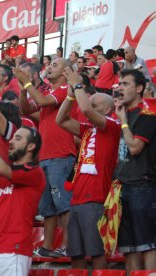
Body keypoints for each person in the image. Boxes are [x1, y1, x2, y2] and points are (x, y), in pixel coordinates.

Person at [56, 68, 121, 269]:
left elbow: (85, 110)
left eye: (95, 104)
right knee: (76, 255)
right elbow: (61, 120)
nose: (88, 106)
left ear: (106, 110)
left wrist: (77, 86)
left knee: (96, 252)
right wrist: (69, 96)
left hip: (96, 198)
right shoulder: (89, 129)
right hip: (77, 198)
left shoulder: (112, 125)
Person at [15, 58, 77, 257]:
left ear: (66, 71)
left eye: (55, 65)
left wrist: (26, 83)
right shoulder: (49, 92)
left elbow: (41, 103)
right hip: (45, 156)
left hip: (62, 155)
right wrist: (24, 89)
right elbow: (25, 110)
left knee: (64, 205)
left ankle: (68, 245)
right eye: (49, 65)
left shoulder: (67, 88)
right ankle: (47, 247)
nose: (49, 67)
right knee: (47, 207)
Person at [0, 118, 45, 276]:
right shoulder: (4, 172)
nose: (11, 141)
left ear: (31, 146)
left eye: (18, 138)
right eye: (12, 137)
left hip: (14, 250)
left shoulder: (34, 172)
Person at [113, 69, 156, 275]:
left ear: (139, 88)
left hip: (143, 185)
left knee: (147, 244)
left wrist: (122, 120)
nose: (120, 87)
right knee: (128, 248)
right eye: (119, 83)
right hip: (123, 184)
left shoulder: (148, 113)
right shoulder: (125, 113)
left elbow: (134, 148)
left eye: (125, 84)